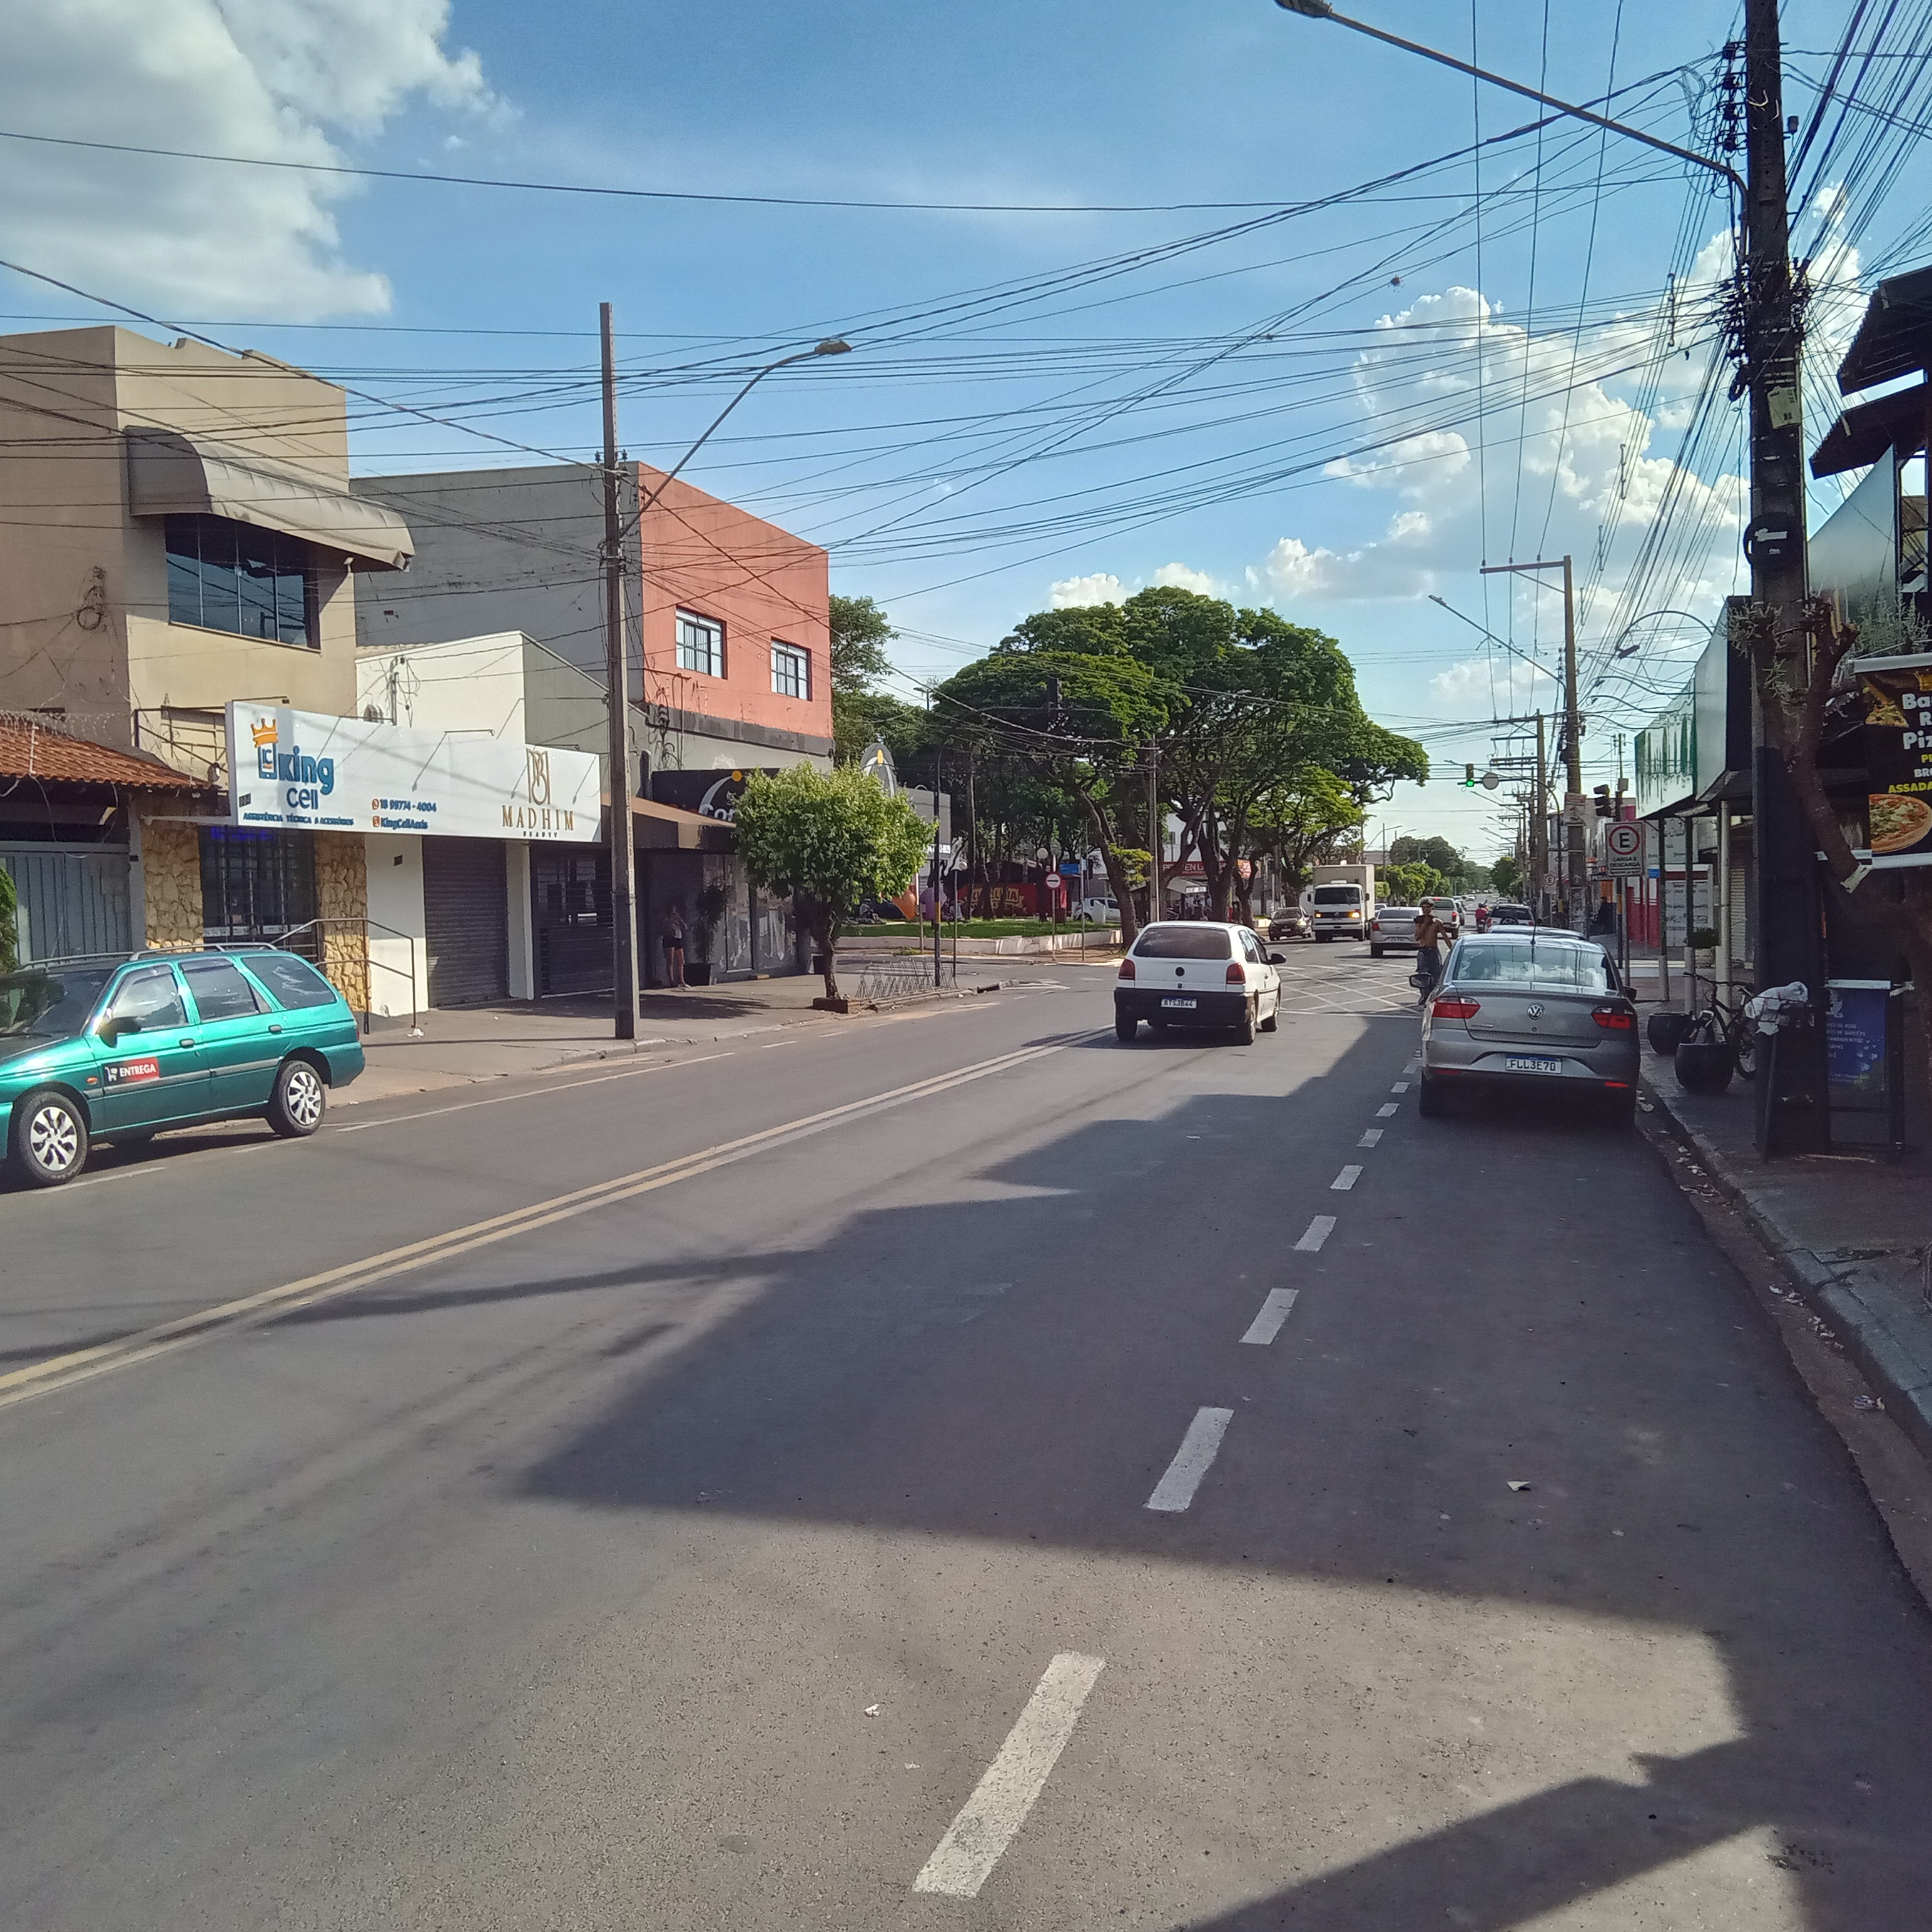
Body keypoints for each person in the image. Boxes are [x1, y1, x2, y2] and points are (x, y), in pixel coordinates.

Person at [1413, 903, 1449, 1005]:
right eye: (1424, 908)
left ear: (1432, 908)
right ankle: (1424, 995)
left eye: (1428, 908)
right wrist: (1424, 925)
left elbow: (1445, 936)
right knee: (1422, 975)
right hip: (1423, 951)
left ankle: (1434, 995)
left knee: (1436, 974)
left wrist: (1452, 949)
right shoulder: (1419, 921)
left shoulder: (1437, 922)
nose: (1426, 910)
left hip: (1433, 951)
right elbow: (1417, 936)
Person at [661, 900, 687, 989]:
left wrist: (679, 921)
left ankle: (681, 980)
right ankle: (671, 981)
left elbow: (684, 926)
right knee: (670, 961)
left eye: (674, 909)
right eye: (671, 909)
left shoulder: (677, 917)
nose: (673, 911)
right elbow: (663, 929)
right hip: (669, 939)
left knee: (681, 960)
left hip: (677, 938)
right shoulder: (665, 919)